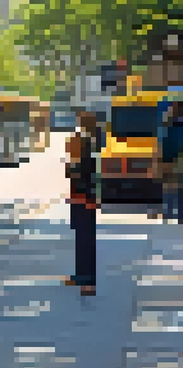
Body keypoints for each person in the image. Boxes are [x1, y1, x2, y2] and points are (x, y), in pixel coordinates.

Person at [65, 111, 100, 296]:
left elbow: (83, 175)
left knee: (85, 240)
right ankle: (81, 276)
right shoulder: (90, 144)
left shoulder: (87, 145)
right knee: (81, 238)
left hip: (84, 199)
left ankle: (88, 281)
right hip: (82, 198)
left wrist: (70, 166)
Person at [159, 102, 183, 224]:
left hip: (172, 159)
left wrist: (164, 161)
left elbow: (166, 144)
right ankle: (179, 215)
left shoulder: (169, 127)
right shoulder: (170, 126)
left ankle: (168, 212)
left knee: (169, 187)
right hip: (174, 159)